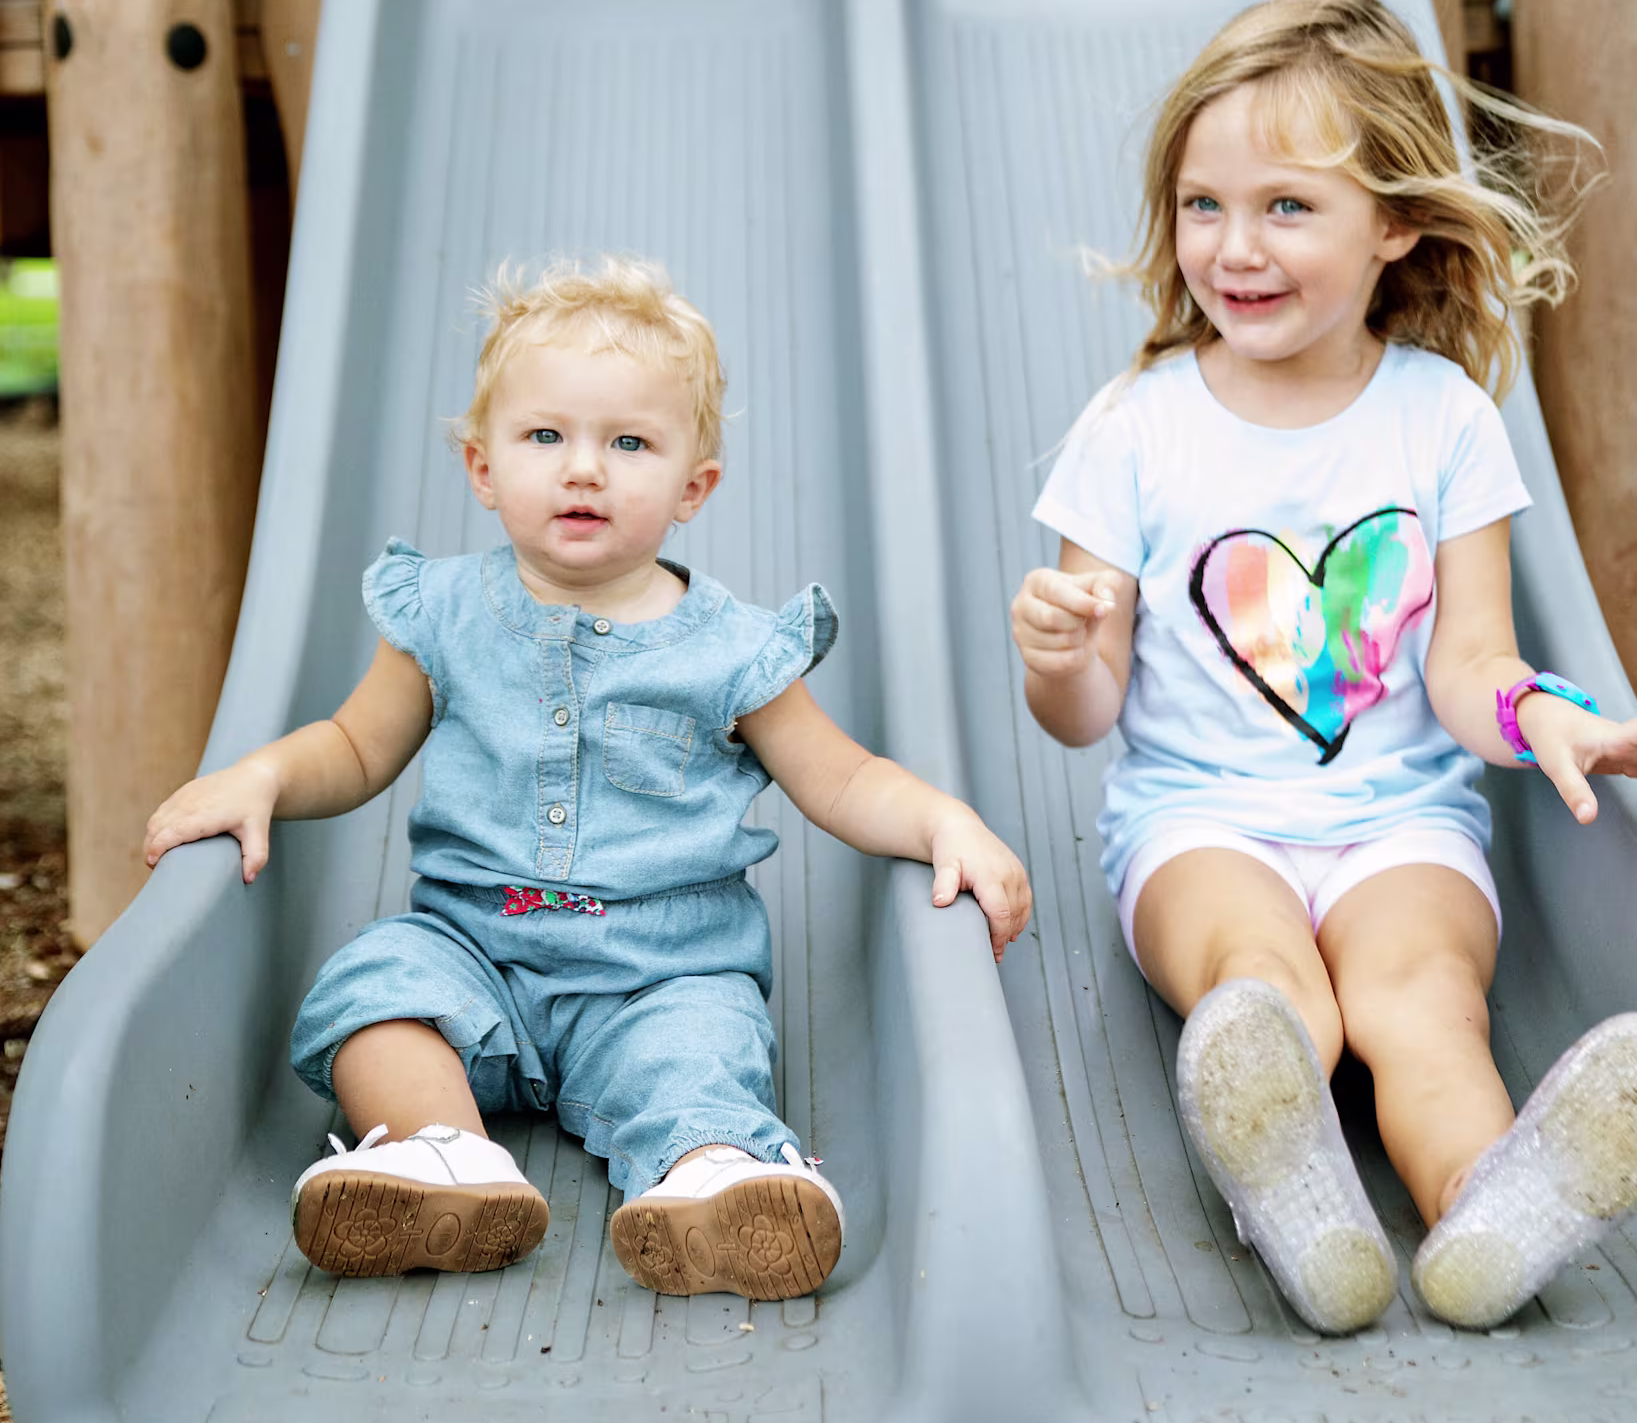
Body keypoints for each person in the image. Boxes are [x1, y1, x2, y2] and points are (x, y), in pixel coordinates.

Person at [1010, 0, 1637, 1337]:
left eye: (1288, 207)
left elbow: (1471, 665)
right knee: (1261, 981)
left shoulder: (1444, 421)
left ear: (1394, 223)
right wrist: (1060, 656)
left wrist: (1552, 721)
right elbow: (1086, 712)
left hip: (1404, 824)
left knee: (1421, 1002)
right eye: (1203, 205)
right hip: (1197, 823)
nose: (1235, 247)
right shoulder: (1133, 432)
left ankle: (1491, 1208)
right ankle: (1297, 1201)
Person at [145, 259, 1029, 1301]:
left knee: (700, 1055)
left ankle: (714, 1179)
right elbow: (353, 747)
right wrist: (262, 776)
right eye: (545, 437)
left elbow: (837, 778)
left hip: (661, 971)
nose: (584, 470)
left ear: (694, 487)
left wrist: (940, 820)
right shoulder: (441, 611)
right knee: (376, 990)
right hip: (475, 952)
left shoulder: (731, 650)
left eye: (630, 444)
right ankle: (441, 1157)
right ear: (481, 467)